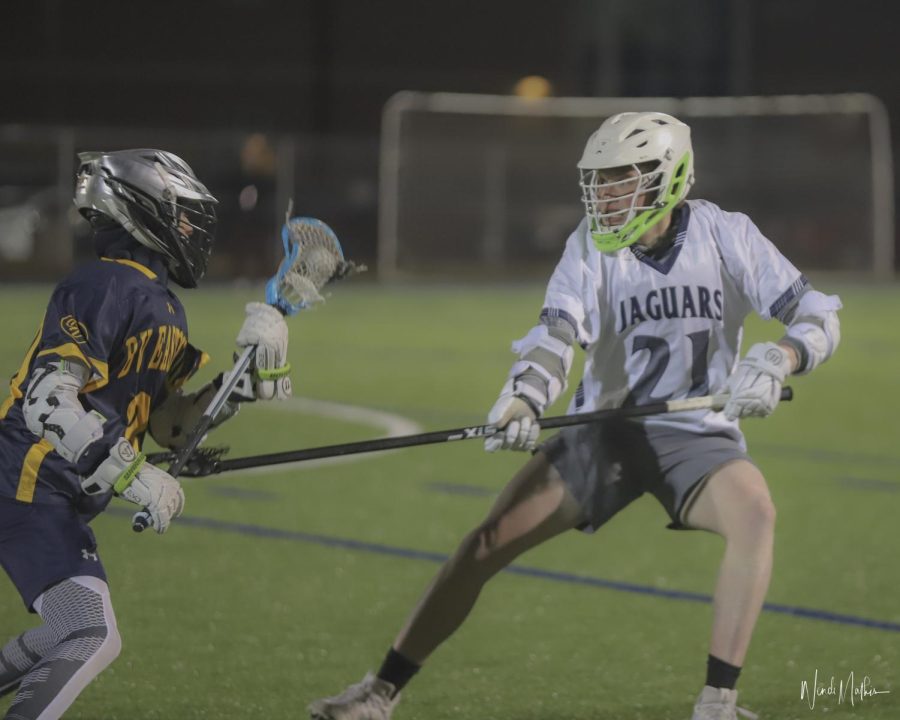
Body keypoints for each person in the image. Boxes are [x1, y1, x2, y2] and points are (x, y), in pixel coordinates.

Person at [308, 112, 842, 720]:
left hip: (696, 434)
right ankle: (380, 691)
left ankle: (717, 703)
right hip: (604, 431)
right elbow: (556, 332)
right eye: (600, 180)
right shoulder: (590, 245)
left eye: (621, 179)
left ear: (667, 179)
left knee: (756, 515)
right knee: (486, 543)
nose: (606, 195)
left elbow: (818, 314)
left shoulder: (727, 235)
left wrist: (781, 357)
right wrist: (525, 397)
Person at [0, 148, 292, 720]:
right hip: (24, 485)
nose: (193, 230)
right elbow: (46, 399)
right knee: (90, 634)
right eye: (182, 215)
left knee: (75, 629)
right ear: (142, 213)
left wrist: (236, 387)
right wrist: (132, 475)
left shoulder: (163, 306)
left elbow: (164, 422)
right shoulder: (106, 285)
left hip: (51, 496)